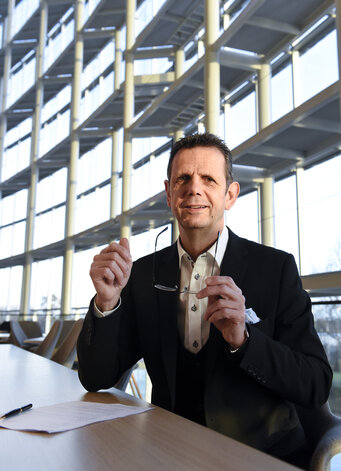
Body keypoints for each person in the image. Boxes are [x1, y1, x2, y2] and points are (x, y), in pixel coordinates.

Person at [77, 133, 332, 468]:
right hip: (169, 452)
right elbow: (96, 378)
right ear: (169, 194)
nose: (193, 188)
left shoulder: (275, 269)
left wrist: (244, 340)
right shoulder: (141, 275)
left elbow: (315, 383)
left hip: (260, 457)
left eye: (208, 179)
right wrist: (106, 303)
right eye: (182, 179)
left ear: (230, 195)